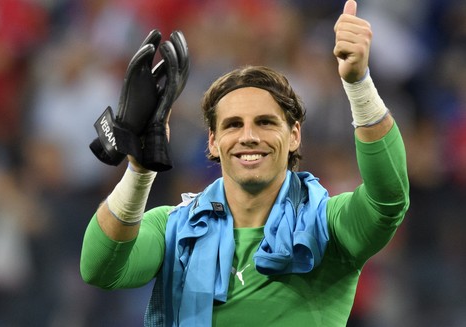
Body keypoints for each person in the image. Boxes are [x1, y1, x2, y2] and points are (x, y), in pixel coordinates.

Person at [80, 1, 410, 326]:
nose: (248, 136)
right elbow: (100, 268)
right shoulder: (173, 228)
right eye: (233, 124)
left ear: (294, 135)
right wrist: (139, 169)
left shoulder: (327, 225)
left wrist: (358, 84)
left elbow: (388, 200)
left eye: (265, 122)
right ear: (212, 141)